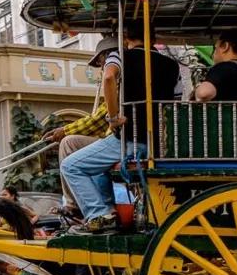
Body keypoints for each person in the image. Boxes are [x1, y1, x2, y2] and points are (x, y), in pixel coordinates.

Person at [60, 20, 178, 234]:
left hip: (130, 140)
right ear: (153, 39)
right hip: (160, 144)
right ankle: (108, 214)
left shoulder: (119, 56)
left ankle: (98, 214)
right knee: (94, 163)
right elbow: (175, 105)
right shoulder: (172, 65)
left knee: (71, 166)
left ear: (125, 38)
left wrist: (114, 118)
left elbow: (108, 77)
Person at [42, 36, 115, 219]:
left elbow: (99, 120)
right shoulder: (114, 81)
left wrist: (64, 130)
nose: (101, 67)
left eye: (101, 62)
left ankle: (90, 209)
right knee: (69, 142)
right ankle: (74, 203)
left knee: (69, 154)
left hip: (117, 140)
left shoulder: (115, 80)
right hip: (111, 138)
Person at [0, 187, 39, 275]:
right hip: (3, 241)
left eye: (5, 195)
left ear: (13, 196)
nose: (2, 197)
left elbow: (35, 215)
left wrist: (27, 224)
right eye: (2, 195)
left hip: (15, 240)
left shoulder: (18, 208)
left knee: (9, 268)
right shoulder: (1, 210)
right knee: (1, 269)